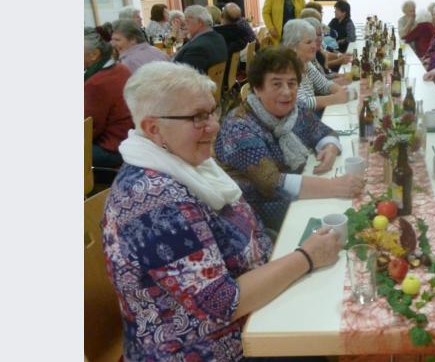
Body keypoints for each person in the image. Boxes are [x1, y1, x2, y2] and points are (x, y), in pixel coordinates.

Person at [102, 61, 341, 361]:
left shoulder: (189, 162)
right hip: (206, 347)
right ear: (153, 128)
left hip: (252, 314)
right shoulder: (152, 200)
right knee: (324, 331)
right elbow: (222, 302)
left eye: (212, 112)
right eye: (197, 118)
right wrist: (306, 257)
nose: (214, 125)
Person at [214, 47, 365, 231]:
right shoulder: (239, 127)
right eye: (276, 84)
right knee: (351, 219)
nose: (287, 92)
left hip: (298, 195)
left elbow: (324, 132)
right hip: (261, 214)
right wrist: (334, 186)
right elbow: (271, 182)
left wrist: (330, 148)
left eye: (292, 83)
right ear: (257, 88)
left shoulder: (294, 109)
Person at [84, 28, 133, 167]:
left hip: (112, 148)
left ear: (94, 54)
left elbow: (90, 129)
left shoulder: (95, 83)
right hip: (129, 140)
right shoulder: (120, 68)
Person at [282, 19, 349, 112]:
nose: (314, 45)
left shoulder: (306, 63)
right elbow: (301, 104)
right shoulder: (287, 67)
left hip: (310, 118)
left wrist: (340, 91)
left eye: (313, 41)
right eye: (309, 42)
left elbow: (324, 85)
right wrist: (335, 98)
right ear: (292, 46)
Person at [172, 5, 228, 74]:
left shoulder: (197, 48)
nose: (185, 25)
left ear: (200, 23)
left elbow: (184, 76)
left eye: (187, 21)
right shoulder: (218, 37)